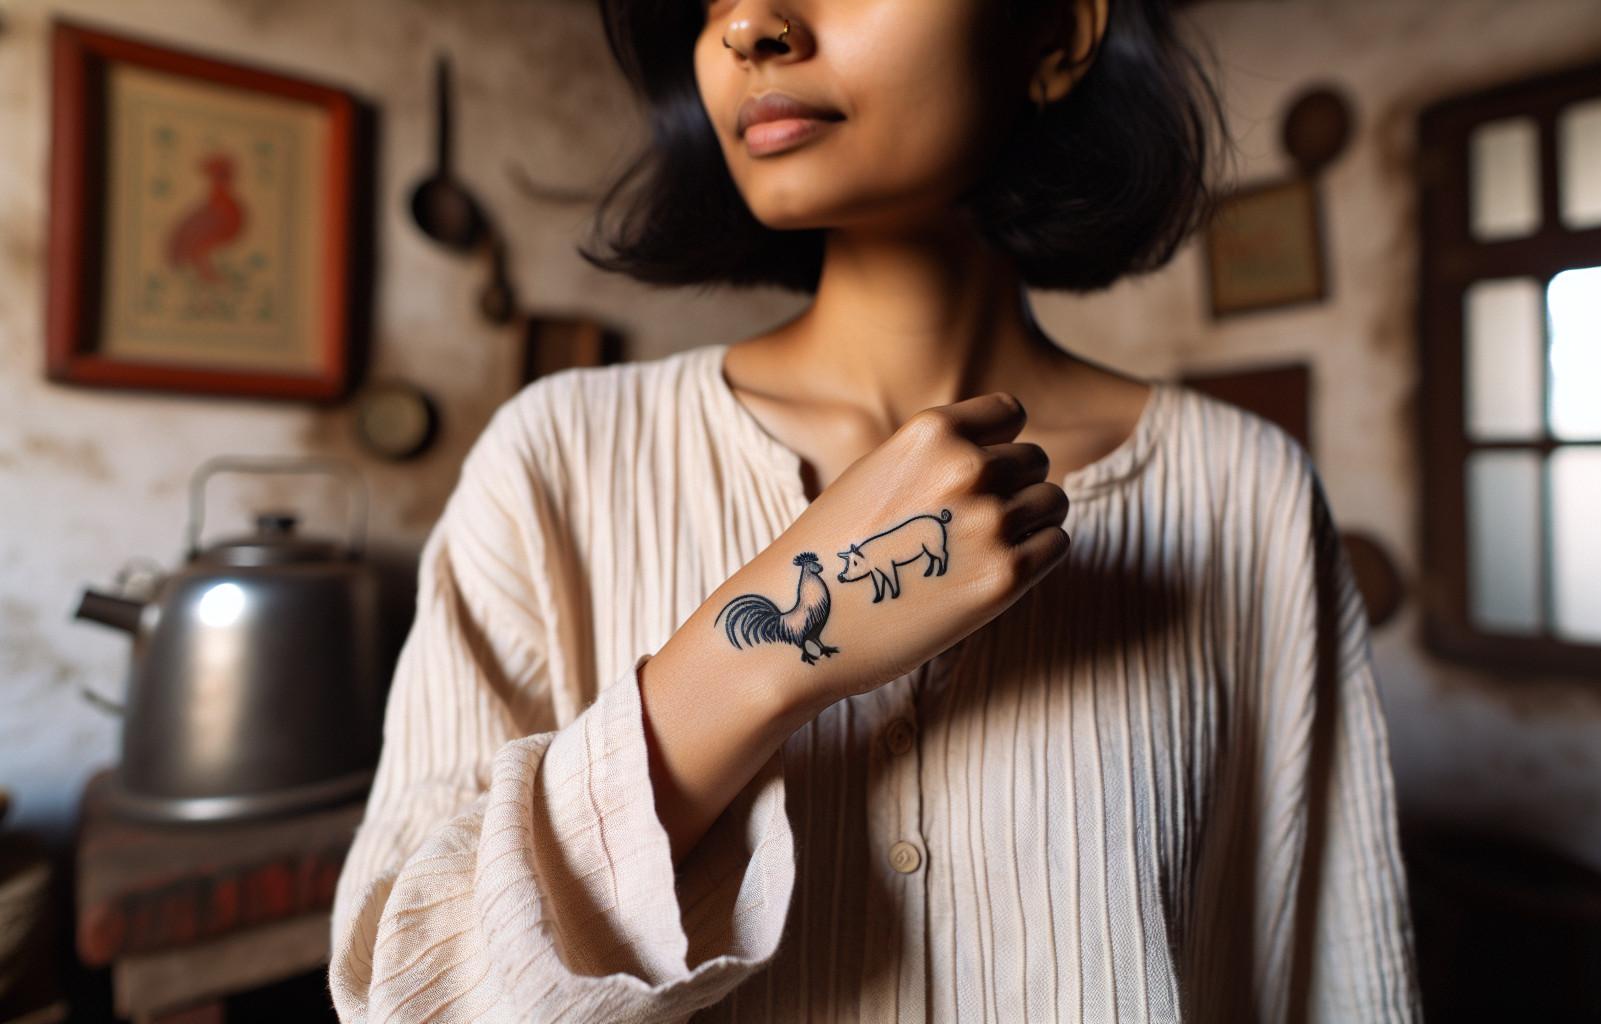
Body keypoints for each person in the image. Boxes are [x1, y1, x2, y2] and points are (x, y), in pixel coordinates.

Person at [328, 0, 1420, 1020]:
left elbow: (1336, 974)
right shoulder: (555, 458)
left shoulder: (1247, 491)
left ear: (1057, 32)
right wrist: (756, 656)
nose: (750, 25)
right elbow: (404, 993)